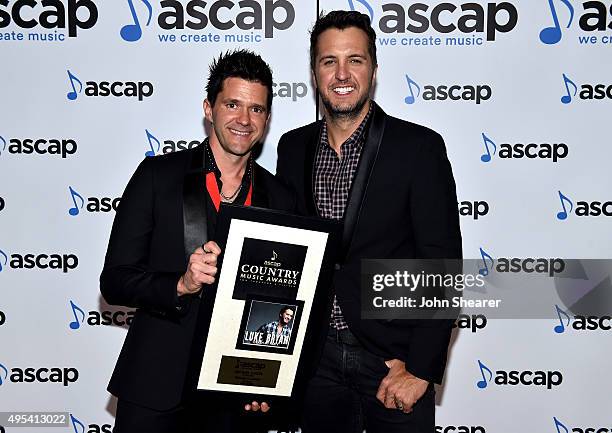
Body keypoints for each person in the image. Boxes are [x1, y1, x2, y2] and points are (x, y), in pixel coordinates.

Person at [275, 10, 462, 433]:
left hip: (391, 362)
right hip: (314, 362)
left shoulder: (418, 148)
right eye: (329, 61)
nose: (342, 73)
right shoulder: (293, 147)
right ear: (314, 72)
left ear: (373, 70)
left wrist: (420, 368)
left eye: (354, 60)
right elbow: (286, 257)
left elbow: (443, 265)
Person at [100, 49, 294, 433]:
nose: (243, 119)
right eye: (232, 104)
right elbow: (115, 280)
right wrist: (180, 284)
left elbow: (282, 303)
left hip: (236, 394)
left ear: (267, 119)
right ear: (209, 108)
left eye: (256, 109)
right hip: (155, 386)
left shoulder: (282, 198)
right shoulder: (158, 176)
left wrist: (268, 378)